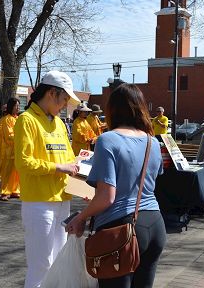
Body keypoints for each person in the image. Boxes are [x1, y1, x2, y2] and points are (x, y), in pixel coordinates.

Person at [66, 83, 165, 288]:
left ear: (112, 109)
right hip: (155, 224)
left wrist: (81, 217)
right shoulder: (152, 142)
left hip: (120, 229)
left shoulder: (108, 140)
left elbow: (106, 197)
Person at [14, 70, 80, 288]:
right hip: (39, 202)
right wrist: (57, 167)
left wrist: (83, 181)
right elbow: (24, 162)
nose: (64, 105)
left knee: (58, 261)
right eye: (64, 99)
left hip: (62, 199)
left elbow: (69, 160)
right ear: (52, 93)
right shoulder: (27, 120)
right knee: (41, 263)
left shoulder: (60, 124)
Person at [0, 97, 21, 201]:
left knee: (17, 172)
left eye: (18, 106)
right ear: (11, 106)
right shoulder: (7, 119)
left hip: (18, 150)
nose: (18, 108)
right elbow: (9, 136)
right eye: (16, 106)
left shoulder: (18, 118)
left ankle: (15, 190)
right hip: (9, 150)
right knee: (7, 172)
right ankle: (5, 191)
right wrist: (22, 137)